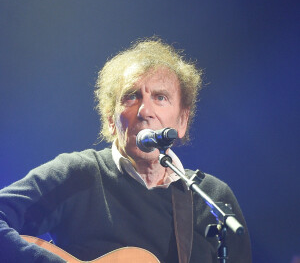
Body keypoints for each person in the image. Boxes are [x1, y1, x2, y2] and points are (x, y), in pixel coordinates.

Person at [0, 38, 252, 262]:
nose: (145, 111)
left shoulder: (212, 199)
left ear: (182, 121)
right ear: (111, 118)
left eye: (160, 97)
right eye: (132, 96)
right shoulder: (80, 173)